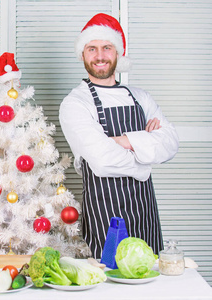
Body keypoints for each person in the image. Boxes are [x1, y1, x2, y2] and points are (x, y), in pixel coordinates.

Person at [59, 13, 179, 258]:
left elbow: (170, 144)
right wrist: (144, 157)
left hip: (145, 213)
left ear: (117, 53)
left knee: (149, 280)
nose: (100, 55)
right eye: (92, 48)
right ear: (82, 54)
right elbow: (102, 161)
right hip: (105, 214)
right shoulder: (75, 103)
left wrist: (120, 141)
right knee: (109, 283)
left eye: (107, 47)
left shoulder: (140, 97)